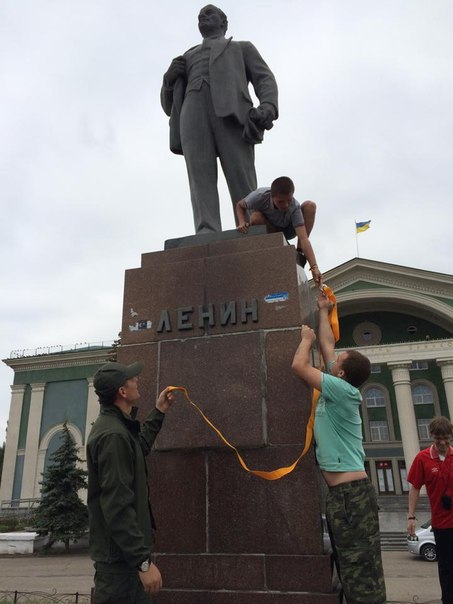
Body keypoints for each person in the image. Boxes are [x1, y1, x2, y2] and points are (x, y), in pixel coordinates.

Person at [291, 293, 386, 604]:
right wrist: (323, 311)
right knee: (348, 569)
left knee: (361, 573)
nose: (336, 357)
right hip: (343, 497)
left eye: (340, 361)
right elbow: (329, 345)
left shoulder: (340, 389)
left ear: (342, 374)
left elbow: (299, 365)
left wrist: (305, 339)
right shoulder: (341, 384)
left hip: (351, 497)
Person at [161, 5, 278, 234]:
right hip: (192, 112)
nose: (203, 18)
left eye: (209, 14)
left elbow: (265, 79)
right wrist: (168, 79)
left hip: (232, 114)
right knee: (199, 175)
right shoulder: (186, 57)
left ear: (224, 22)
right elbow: (168, 107)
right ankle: (206, 227)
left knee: (240, 172)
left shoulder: (241, 48)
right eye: (199, 16)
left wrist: (268, 106)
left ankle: (250, 221)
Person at [87, 361, 175, 603]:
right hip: (122, 570)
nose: (137, 380)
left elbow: (139, 447)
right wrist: (143, 563)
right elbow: (116, 506)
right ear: (122, 392)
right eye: (132, 378)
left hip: (124, 563)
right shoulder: (113, 435)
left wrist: (159, 411)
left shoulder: (118, 430)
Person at [235, 176, 322, 286]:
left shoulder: (294, 207)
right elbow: (240, 205)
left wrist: (314, 267)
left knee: (310, 206)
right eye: (281, 202)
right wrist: (242, 222)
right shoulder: (260, 196)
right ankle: (278, 244)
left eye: (289, 200)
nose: (285, 205)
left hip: (290, 229)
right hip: (271, 228)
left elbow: (304, 239)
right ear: (272, 196)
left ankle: (299, 253)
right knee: (255, 217)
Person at [407, 416, 453, 604]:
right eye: (437, 439)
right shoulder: (422, 458)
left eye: (446, 438)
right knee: (447, 568)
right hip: (442, 525)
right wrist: (411, 516)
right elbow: (415, 488)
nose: (442, 442)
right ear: (431, 437)